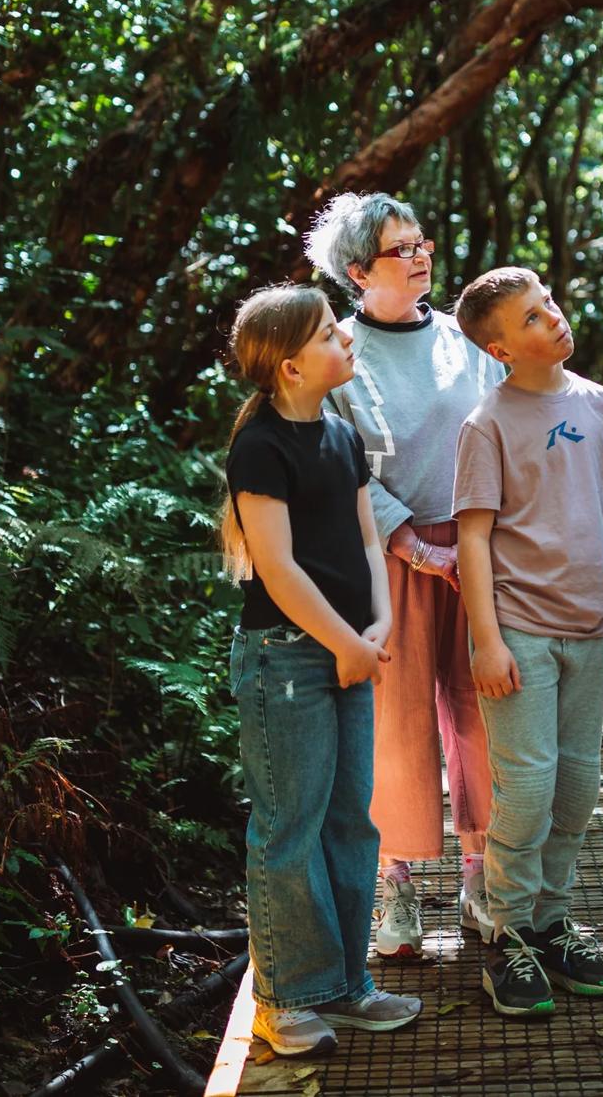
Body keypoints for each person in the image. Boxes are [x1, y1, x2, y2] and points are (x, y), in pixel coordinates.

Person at [221, 284, 424, 1056]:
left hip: (348, 651)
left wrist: (379, 624)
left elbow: (368, 541)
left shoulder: (340, 435)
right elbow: (276, 566)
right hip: (286, 659)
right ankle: (286, 998)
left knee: (349, 820)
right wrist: (344, 642)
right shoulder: (261, 446)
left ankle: (346, 986)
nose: (346, 340)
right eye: (330, 334)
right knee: (289, 827)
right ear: (290, 365)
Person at [304, 193, 501, 958]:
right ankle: (398, 886)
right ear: (358, 270)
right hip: (385, 555)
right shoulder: (340, 351)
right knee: (397, 723)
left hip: (478, 552)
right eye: (400, 248)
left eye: (421, 242)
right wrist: (416, 547)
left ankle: (483, 876)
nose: (420, 256)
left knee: (482, 716)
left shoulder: (465, 342)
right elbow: (340, 459)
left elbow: (502, 435)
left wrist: (480, 543)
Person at [451, 267, 603, 1018]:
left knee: (577, 785)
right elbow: (473, 537)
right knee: (526, 789)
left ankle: (551, 924)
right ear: (501, 348)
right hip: (520, 631)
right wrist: (486, 641)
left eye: (550, 304)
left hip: (590, 628)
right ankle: (506, 936)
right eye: (531, 318)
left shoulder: (602, 405)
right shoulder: (487, 423)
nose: (553, 320)